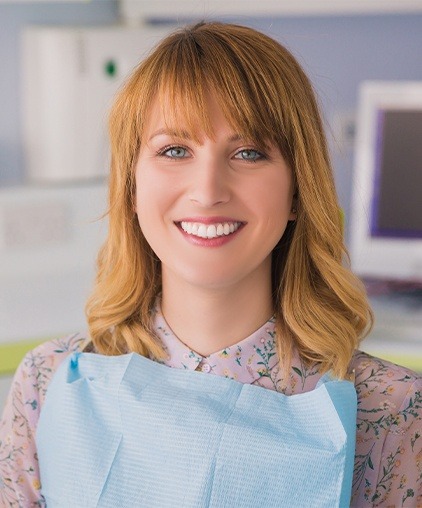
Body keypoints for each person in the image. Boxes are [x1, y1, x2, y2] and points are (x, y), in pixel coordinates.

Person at [1, 21, 421, 507]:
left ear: (296, 191)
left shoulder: (389, 411)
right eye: (174, 150)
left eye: (248, 152)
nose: (208, 190)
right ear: (131, 189)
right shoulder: (48, 382)